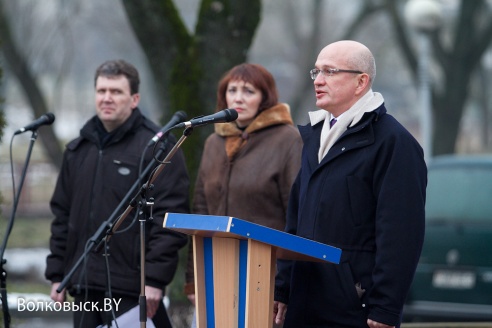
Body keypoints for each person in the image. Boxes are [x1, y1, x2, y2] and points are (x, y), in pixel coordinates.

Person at [273, 40, 427, 328]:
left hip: (355, 307)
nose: (318, 80)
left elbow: (401, 233)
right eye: (316, 72)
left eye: (330, 72)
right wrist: (282, 287)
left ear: (361, 81)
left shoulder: (394, 143)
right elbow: (295, 220)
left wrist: (385, 307)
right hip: (303, 300)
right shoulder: (314, 138)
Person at [45, 59, 190, 327]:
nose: (107, 98)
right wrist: (57, 273)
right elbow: (62, 216)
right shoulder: (78, 150)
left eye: (116, 92)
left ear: (134, 99)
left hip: (132, 288)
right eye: (101, 91)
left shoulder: (158, 149)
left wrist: (155, 280)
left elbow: (170, 220)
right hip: (84, 285)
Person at [184, 63, 303, 326]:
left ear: (265, 98)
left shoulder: (288, 139)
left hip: (264, 276)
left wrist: (284, 285)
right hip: (216, 272)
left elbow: (296, 217)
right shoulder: (213, 142)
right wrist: (193, 280)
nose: (238, 97)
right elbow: (201, 212)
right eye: (232, 90)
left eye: (249, 91)